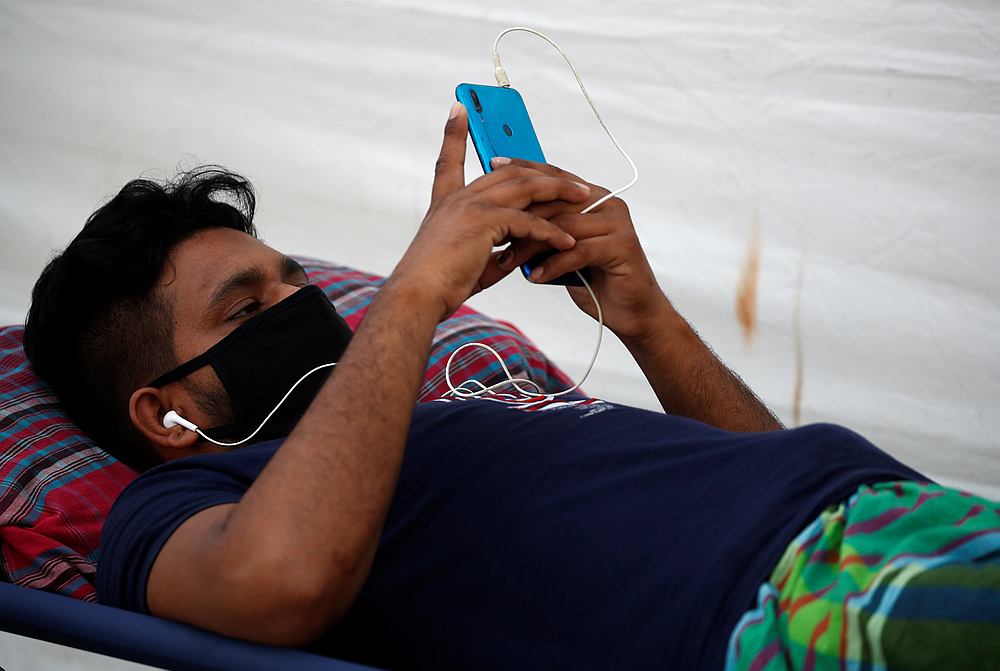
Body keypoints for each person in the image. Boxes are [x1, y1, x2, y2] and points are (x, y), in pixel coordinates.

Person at [23, 103, 999, 671]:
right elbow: (279, 584)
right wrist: (411, 296)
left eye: (300, 283)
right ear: (166, 410)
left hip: (888, 512)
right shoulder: (177, 504)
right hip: (784, 609)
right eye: (247, 310)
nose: (304, 307)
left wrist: (644, 318)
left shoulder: (450, 406)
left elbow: (758, 470)